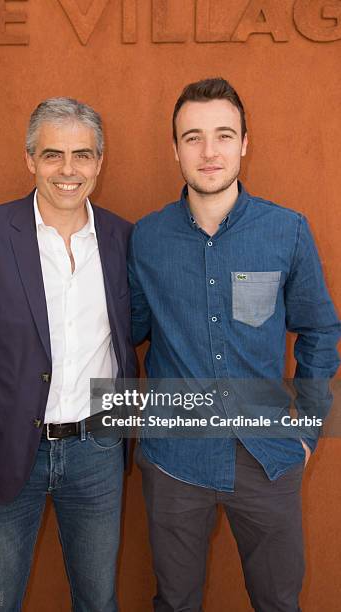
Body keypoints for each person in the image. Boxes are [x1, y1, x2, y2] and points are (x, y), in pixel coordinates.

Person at [128, 78, 340, 611]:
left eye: (224, 135)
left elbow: (319, 330)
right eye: (193, 137)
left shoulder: (287, 230)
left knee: (278, 602)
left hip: (269, 456)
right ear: (174, 148)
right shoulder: (146, 239)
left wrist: (308, 427)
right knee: (174, 603)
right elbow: (123, 331)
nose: (209, 151)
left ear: (245, 142)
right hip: (175, 458)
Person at [0, 97, 136, 612]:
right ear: (30, 160)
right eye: (53, 155)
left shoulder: (121, 238)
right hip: (4, 454)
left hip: (97, 451)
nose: (68, 170)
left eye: (82, 155)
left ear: (99, 161)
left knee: (98, 599)